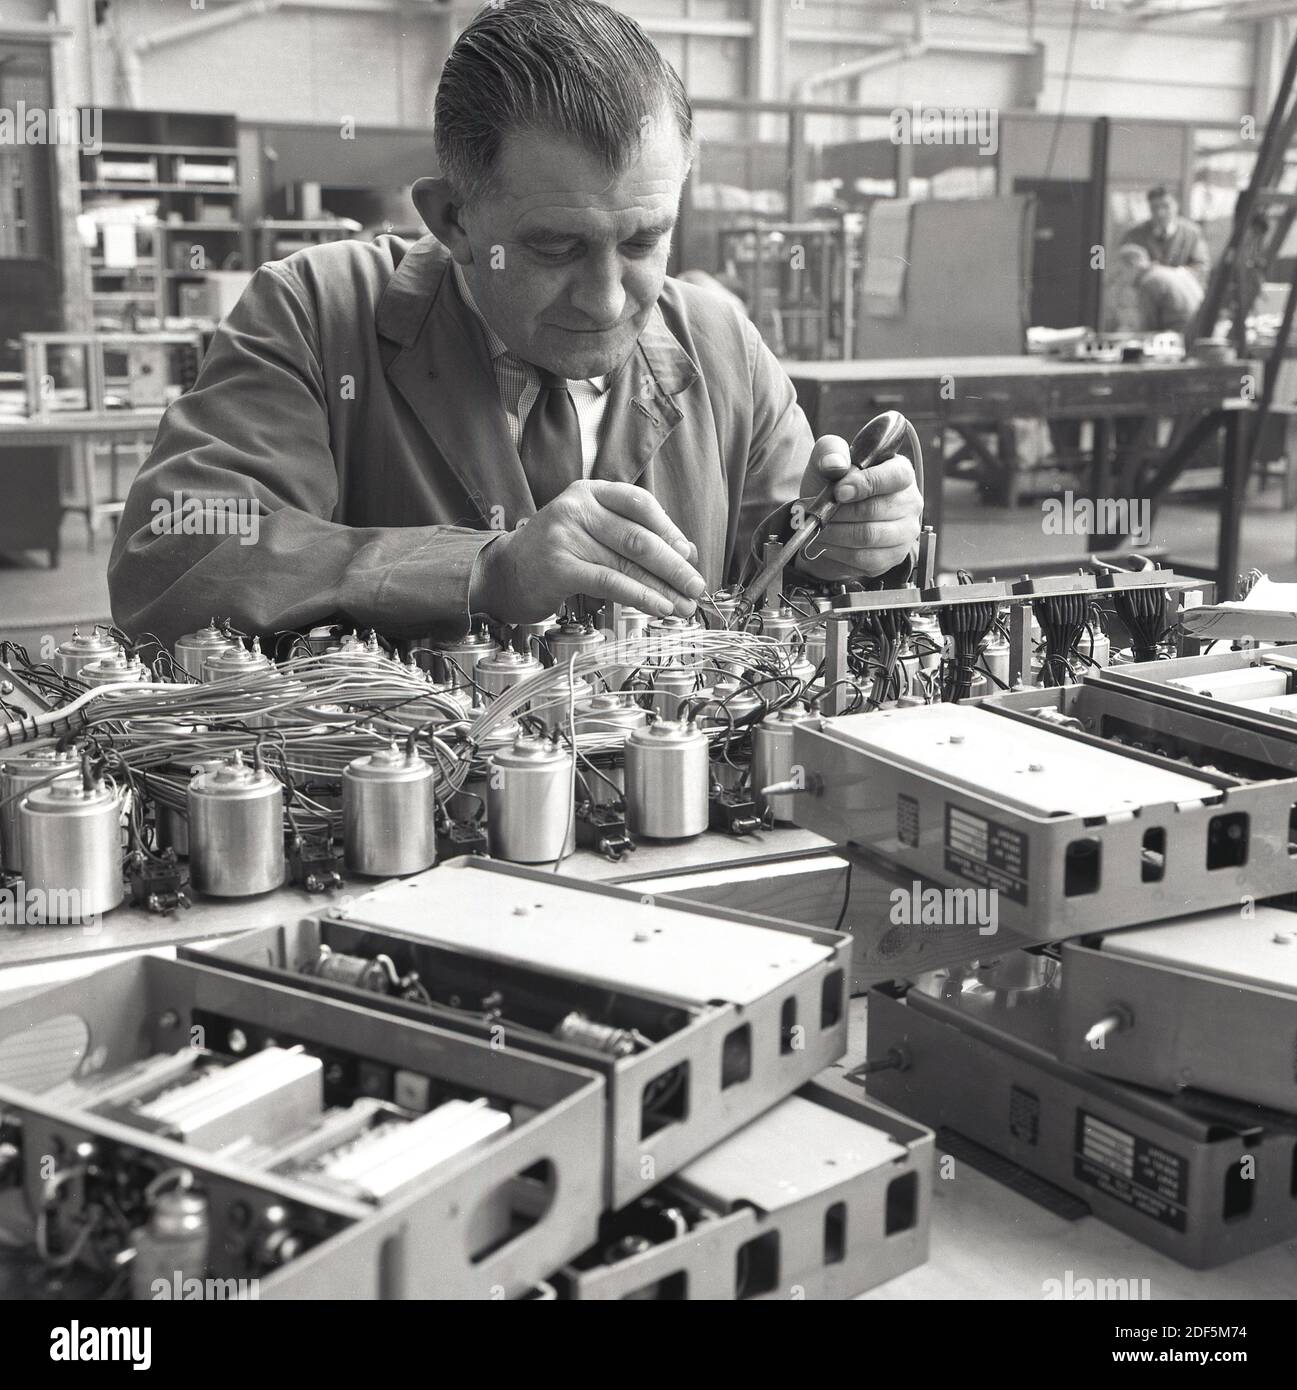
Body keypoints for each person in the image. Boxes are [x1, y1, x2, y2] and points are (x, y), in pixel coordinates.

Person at [107, 0, 922, 649]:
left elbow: (769, 589)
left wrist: (836, 548)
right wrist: (481, 573)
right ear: (452, 220)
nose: (606, 301)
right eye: (554, 246)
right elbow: (175, 557)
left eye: (642, 240)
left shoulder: (722, 347)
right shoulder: (316, 313)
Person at [1121, 186, 1210, 289]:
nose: (1160, 213)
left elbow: (1202, 268)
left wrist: (1172, 274)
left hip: (1181, 295)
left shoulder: (1192, 233)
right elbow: (1124, 273)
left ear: (1177, 205)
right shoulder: (1134, 235)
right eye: (1154, 208)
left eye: (1166, 206)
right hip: (1146, 297)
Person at [1117, 243, 1204, 337]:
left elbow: (1147, 329)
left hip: (1180, 339)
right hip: (1200, 334)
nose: (1122, 279)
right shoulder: (1173, 272)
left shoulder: (1149, 282)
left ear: (1132, 264)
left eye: (1121, 272)